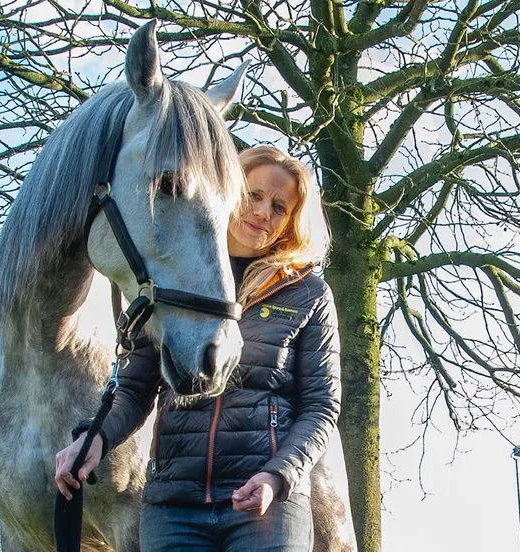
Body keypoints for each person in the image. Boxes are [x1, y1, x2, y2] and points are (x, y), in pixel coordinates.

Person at [55, 145, 341, 551]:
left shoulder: (307, 292)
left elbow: (321, 406)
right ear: (227, 191)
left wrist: (278, 476)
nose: (262, 212)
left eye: (280, 207)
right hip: (174, 507)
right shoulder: (172, 276)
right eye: (254, 195)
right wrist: (96, 439)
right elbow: (135, 389)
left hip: (266, 506)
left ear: (291, 223)